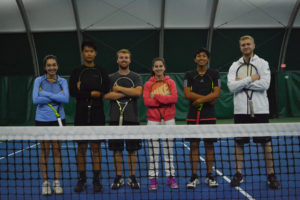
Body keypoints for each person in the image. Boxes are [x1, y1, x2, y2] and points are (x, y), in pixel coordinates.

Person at [227, 35, 280, 189]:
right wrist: (251, 79)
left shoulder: (263, 63)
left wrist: (241, 83)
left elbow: (265, 84)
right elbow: (231, 87)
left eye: (248, 44)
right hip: (240, 110)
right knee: (239, 143)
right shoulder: (234, 65)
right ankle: (238, 173)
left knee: (266, 143)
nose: (245, 46)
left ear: (253, 45)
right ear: (240, 47)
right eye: (243, 44)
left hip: (261, 109)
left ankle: (271, 174)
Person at [69, 41, 110, 193]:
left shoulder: (101, 71)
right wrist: (90, 93)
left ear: (95, 53)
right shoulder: (76, 71)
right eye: (86, 51)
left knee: (96, 147)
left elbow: (105, 89)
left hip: (97, 113)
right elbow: (73, 91)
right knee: (81, 148)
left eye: (92, 51)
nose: (89, 53)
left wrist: (85, 89)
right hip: (80, 113)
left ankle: (96, 181)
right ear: (82, 53)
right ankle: (82, 180)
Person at [104, 49, 142, 190]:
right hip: (115, 119)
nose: (124, 59)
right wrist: (128, 92)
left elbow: (138, 92)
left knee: (133, 150)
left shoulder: (136, 76)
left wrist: (119, 89)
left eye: (126, 57)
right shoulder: (110, 77)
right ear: (117, 60)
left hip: (132, 118)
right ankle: (118, 177)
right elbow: (107, 96)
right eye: (121, 57)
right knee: (117, 150)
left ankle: (132, 177)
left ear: (130, 60)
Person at [184, 48, 221, 188]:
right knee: (194, 145)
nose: (201, 58)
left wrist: (200, 100)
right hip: (193, 116)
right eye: (198, 56)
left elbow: (216, 93)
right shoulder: (189, 75)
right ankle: (194, 177)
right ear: (195, 59)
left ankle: (209, 176)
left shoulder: (214, 74)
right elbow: (187, 94)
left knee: (209, 146)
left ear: (208, 59)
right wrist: (205, 99)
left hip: (209, 115)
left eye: (204, 56)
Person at [32, 55, 69, 195]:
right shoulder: (38, 80)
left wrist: (45, 94)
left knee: (57, 151)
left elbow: (65, 99)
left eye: (54, 65)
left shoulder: (62, 81)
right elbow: (35, 100)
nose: (51, 67)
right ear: (45, 67)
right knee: (45, 151)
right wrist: (56, 96)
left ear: (57, 66)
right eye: (49, 65)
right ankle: (46, 182)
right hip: (42, 120)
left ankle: (57, 182)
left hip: (59, 119)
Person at [143, 57, 179, 190]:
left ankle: (171, 178)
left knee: (169, 151)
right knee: (153, 152)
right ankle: (153, 180)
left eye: (160, 66)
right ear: (153, 69)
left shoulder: (171, 82)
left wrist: (157, 97)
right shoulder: (148, 84)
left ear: (164, 67)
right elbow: (147, 102)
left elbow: (174, 98)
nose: (158, 68)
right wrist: (165, 99)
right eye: (156, 66)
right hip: (153, 120)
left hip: (169, 119)